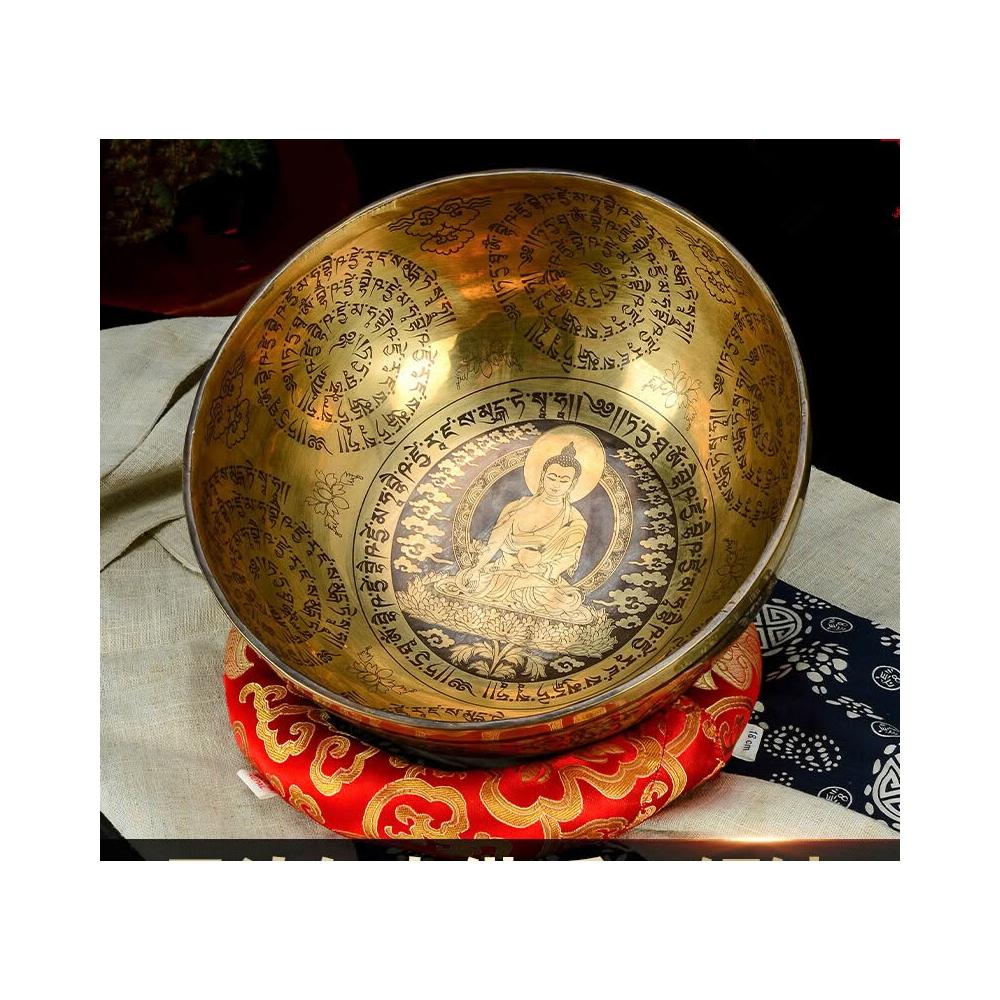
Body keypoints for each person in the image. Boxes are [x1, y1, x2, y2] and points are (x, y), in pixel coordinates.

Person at [437, 442, 594, 624]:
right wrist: (477, 568)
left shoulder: (574, 520)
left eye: (564, 480)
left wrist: (540, 567)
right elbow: (494, 544)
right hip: (502, 571)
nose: (556, 485)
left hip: (540, 580)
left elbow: (567, 558)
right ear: (542, 476)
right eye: (552, 477)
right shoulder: (516, 507)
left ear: (572, 484)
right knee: (477, 582)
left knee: (558, 598)